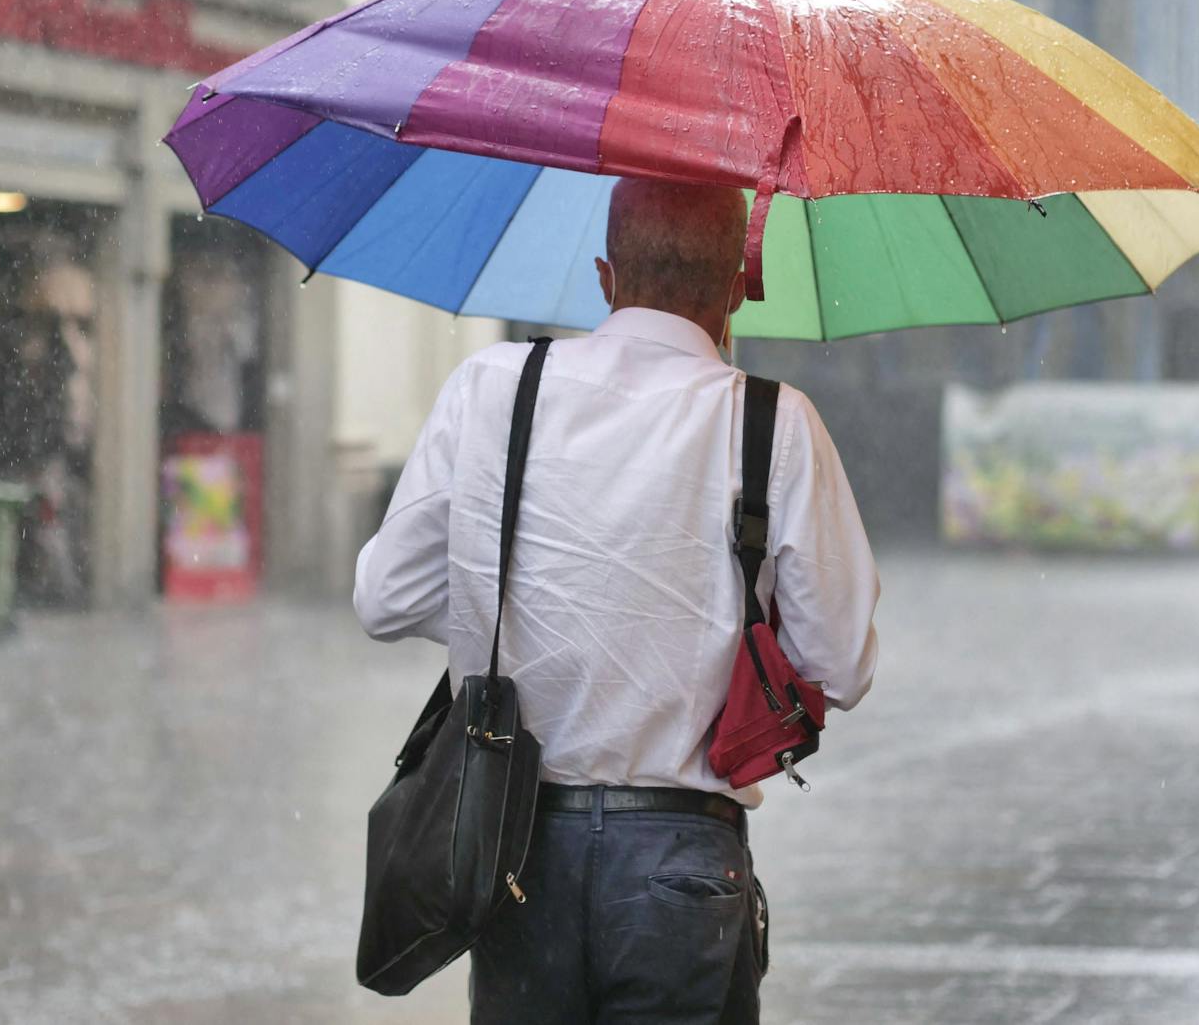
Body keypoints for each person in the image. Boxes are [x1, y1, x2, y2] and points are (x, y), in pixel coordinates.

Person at [353, 177, 881, 1024]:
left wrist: (513, 604)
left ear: (604, 277)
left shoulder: (494, 386)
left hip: (514, 849)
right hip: (687, 866)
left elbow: (386, 599)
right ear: (738, 286)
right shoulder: (777, 425)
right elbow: (843, 664)